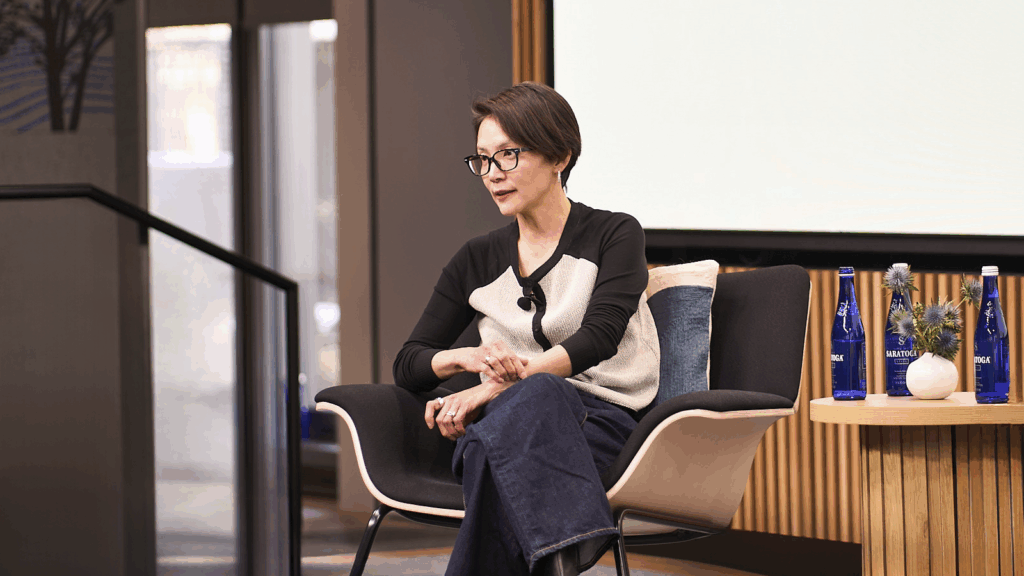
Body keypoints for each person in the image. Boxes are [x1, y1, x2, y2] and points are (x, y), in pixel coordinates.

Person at [393, 82, 660, 576]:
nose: (492, 174)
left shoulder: (614, 234)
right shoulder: (475, 259)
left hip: (601, 423)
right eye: (482, 160)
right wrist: (467, 359)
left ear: (560, 156)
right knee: (518, 414)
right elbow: (409, 363)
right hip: (509, 421)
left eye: (508, 155)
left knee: (510, 423)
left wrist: (495, 387)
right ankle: (567, 550)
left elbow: (600, 336)